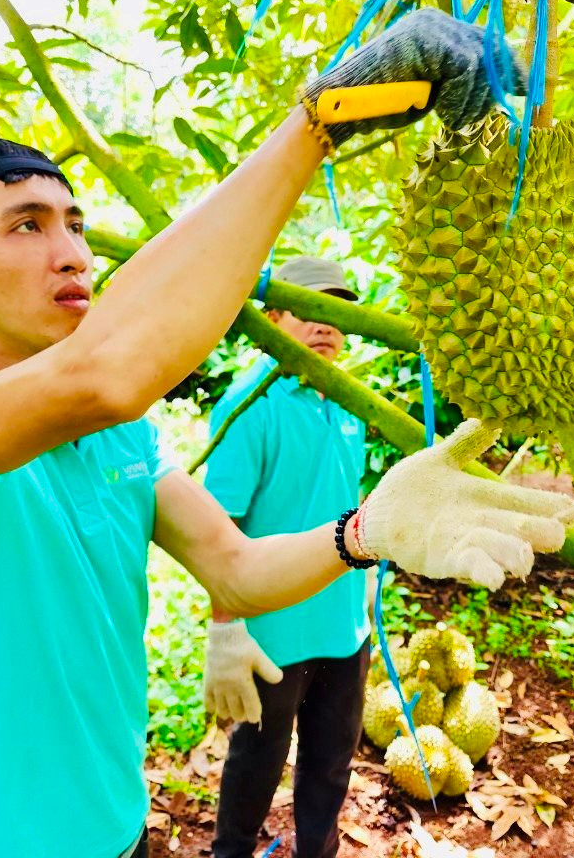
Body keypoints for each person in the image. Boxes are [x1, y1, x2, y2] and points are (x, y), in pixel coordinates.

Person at [0, 9, 574, 858]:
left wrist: (368, 531)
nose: (73, 254)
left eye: (75, 224)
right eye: (27, 226)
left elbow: (235, 565)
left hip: (120, 829)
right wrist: (314, 127)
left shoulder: (115, 437)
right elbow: (106, 373)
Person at [202, 256, 371, 858]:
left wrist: (367, 594)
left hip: (344, 625)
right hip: (273, 630)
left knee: (330, 765)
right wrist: (225, 626)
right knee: (256, 764)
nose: (325, 327)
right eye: (310, 310)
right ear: (273, 317)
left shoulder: (349, 402)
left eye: (336, 315)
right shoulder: (252, 406)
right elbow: (218, 528)